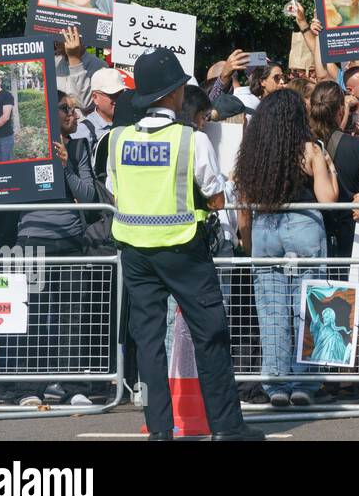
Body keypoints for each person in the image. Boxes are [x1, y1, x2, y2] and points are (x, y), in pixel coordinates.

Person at [106, 48, 262, 440]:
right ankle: (227, 428)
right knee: (210, 336)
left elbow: (114, 191)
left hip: (136, 253)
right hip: (183, 250)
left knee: (149, 344)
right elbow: (215, 198)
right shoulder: (190, 140)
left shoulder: (118, 139)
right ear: (175, 94)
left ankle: (161, 432)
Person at [235, 89, 339, 407]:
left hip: (265, 227)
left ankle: (276, 384)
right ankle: (305, 382)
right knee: (311, 307)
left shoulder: (253, 152)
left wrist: (249, 242)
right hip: (305, 224)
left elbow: (243, 206)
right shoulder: (310, 149)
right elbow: (328, 199)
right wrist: (330, 169)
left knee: (272, 311)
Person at [13, 91, 98, 407]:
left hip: (70, 243)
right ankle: (30, 388)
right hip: (32, 241)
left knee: (71, 316)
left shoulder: (78, 147)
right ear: (50, 112)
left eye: (75, 110)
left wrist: (66, 167)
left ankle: (72, 384)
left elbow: (89, 197)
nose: (72, 115)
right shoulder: (26, 148)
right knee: (32, 317)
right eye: (65, 109)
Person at [308, 81, 359, 260]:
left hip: (312, 231)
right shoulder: (358, 146)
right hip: (351, 234)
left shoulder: (303, 146)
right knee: (346, 287)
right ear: (340, 110)